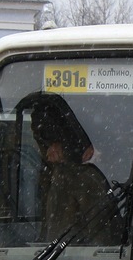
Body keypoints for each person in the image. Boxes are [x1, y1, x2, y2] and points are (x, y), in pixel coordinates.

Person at [29, 94, 122, 244]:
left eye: (50, 142)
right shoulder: (53, 175)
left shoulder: (83, 179)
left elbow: (102, 241)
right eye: (43, 143)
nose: (47, 152)